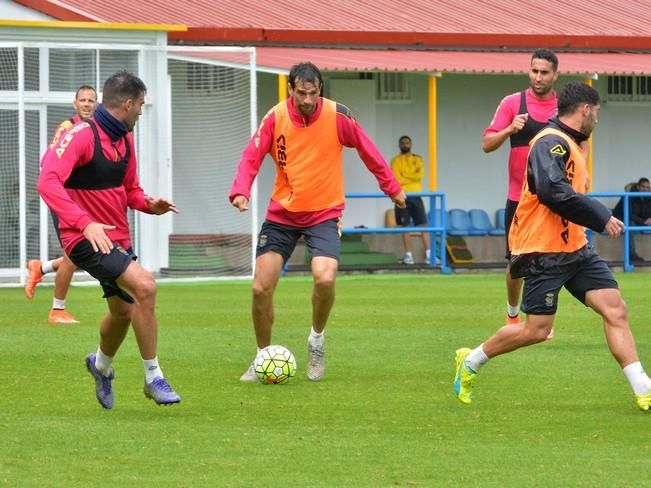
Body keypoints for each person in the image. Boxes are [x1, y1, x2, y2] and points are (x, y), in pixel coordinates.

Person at [454, 81, 651, 412]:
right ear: (586, 110)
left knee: (615, 309)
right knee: (536, 331)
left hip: (576, 248)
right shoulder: (550, 143)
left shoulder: (573, 145)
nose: (598, 120)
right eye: (597, 112)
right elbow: (552, 191)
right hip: (543, 250)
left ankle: (642, 386)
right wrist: (601, 216)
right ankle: (470, 360)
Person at [229, 62, 406, 382]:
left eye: (313, 93)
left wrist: (392, 188)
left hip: (324, 213)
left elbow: (369, 151)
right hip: (281, 215)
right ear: (290, 90)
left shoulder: (338, 116)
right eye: (301, 93)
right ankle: (262, 357)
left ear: (320, 89)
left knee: (325, 278)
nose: (308, 100)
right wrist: (240, 190)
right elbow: (251, 155)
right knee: (260, 288)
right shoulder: (276, 116)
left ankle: (317, 340)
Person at [37, 71, 181, 409]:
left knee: (122, 313)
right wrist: (85, 224)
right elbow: (47, 182)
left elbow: (130, 189)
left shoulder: (125, 139)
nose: (142, 113)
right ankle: (153, 377)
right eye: (141, 106)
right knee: (145, 287)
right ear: (128, 104)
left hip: (115, 237)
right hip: (84, 239)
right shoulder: (81, 136)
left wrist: (149, 204)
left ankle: (100, 367)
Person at [482, 48, 559, 326]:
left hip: (553, 199)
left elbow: (579, 144)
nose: (538, 77)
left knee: (551, 262)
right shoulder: (513, 103)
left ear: (555, 75)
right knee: (517, 264)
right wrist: (509, 130)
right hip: (518, 199)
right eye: (534, 71)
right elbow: (487, 144)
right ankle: (512, 315)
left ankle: (540, 320)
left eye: (544, 72)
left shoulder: (562, 108)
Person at [25, 85, 98, 324]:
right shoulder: (68, 128)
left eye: (91, 100)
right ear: (74, 104)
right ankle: (57, 310)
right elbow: (49, 160)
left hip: (82, 200)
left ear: (97, 104)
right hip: (65, 200)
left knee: (83, 253)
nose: (87, 104)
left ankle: (41, 267)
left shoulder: (96, 130)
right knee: (75, 251)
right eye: (83, 100)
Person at [390, 135, 433, 265]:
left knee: (423, 225)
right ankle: (408, 256)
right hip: (402, 196)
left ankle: (429, 255)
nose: (405, 145)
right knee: (405, 226)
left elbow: (419, 175)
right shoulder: (395, 160)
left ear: (411, 144)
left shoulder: (418, 159)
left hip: (416, 196)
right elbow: (397, 178)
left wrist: (405, 175)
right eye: (402, 143)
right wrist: (411, 176)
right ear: (399, 145)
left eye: (407, 143)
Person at [612, 177, 651, 262]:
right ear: (638, 187)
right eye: (643, 187)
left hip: (637, 221)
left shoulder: (649, 197)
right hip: (619, 219)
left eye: (647, 187)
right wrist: (644, 222)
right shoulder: (629, 196)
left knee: (631, 225)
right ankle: (632, 255)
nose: (645, 189)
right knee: (630, 225)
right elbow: (628, 214)